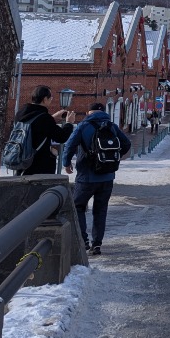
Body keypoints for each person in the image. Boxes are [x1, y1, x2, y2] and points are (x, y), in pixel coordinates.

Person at [61, 103, 131, 256]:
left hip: (86, 176)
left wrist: (66, 163)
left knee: (78, 206)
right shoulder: (112, 126)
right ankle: (97, 244)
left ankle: (83, 240)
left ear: (88, 112)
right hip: (107, 176)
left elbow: (69, 145)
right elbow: (126, 144)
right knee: (100, 210)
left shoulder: (83, 126)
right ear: (103, 112)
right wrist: (113, 159)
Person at [13, 85, 74, 176]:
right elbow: (61, 137)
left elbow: (35, 126)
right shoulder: (45, 118)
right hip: (39, 166)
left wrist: (52, 117)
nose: (51, 100)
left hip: (21, 162)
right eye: (51, 98)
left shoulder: (20, 113)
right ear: (45, 99)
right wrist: (69, 123)